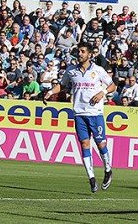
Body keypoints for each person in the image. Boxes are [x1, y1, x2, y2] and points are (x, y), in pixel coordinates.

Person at [44, 42, 116, 193]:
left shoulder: (98, 70)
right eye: (79, 51)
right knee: (84, 144)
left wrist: (102, 92)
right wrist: (51, 93)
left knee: (100, 144)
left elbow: (112, 86)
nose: (80, 54)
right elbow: (62, 85)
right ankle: (91, 178)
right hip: (79, 114)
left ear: (90, 55)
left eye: (83, 51)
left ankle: (108, 169)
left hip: (95, 113)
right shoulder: (71, 71)